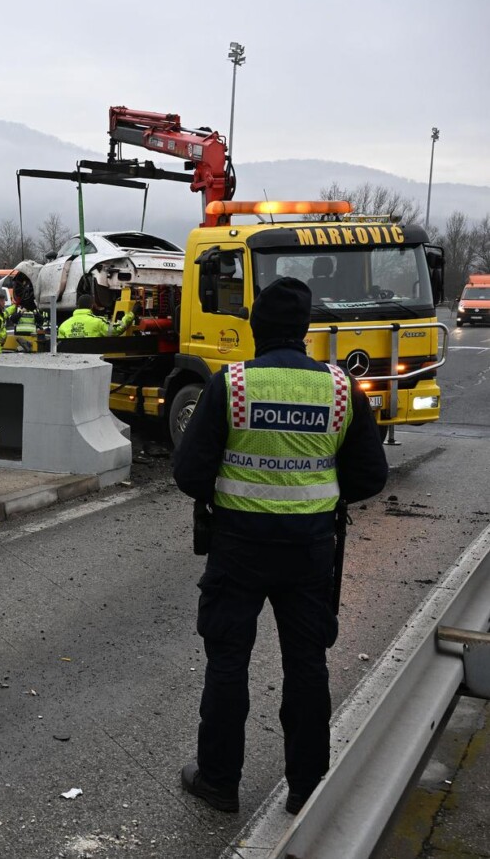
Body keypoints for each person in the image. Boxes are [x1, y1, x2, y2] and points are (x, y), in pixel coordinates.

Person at [173, 277, 388, 816]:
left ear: (255, 328)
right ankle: (307, 789)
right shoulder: (339, 389)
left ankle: (219, 781)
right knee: (307, 665)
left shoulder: (233, 385)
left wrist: (231, 489)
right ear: (305, 329)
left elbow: (190, 471)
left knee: (227, 662)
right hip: (311, 549)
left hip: (239, 547)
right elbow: (370, 476)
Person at [56, 294, 135, 339]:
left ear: (77, 306)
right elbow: (117, 330)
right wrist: (131, 314)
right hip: (94, 362)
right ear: (92, 306)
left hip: (71, 363)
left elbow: (60, 346)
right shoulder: (98, 322)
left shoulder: (64, 325)